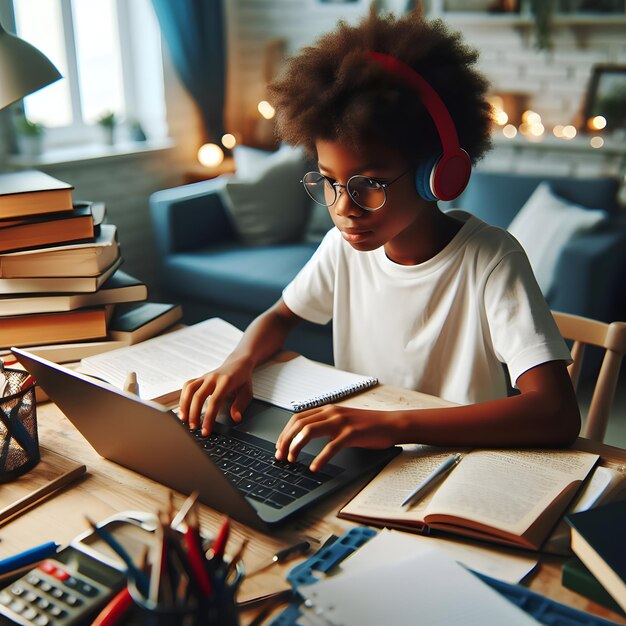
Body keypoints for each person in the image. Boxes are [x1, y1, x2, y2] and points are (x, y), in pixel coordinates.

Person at [179, 8, 580, 472]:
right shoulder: (342, 248)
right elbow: (281, 316)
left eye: (369, 183)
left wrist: (393, 424)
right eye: (328, 181)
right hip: (361, 458)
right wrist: (239, 362)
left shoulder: (491, 260)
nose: (344, 208)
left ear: (439, 176)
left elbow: (556, 412)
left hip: (457, 466)